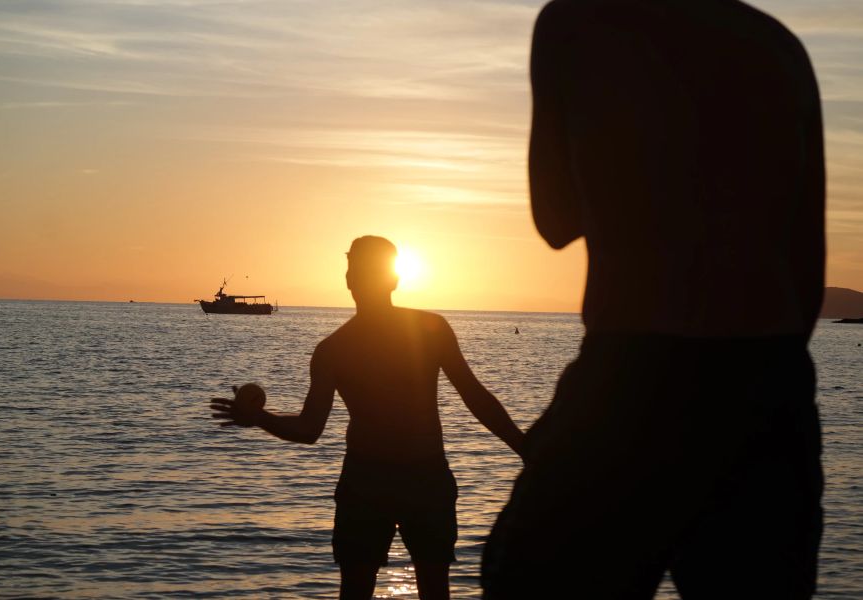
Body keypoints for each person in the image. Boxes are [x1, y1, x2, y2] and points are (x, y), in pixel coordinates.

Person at [482, 1, 825, 598]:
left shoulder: (575, 22)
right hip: (770, 385)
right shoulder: (778, 44)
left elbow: (556, 219)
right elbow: (806, 268)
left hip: (634, 374)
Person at [211, 235, 524, 600]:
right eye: (355, 270)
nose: (358, 278)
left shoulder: (425, 331)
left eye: (365, 271)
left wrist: (524, 447)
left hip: (422, 479)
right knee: (360, 590)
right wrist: (260, 419)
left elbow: (476, 397)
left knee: (431, 589)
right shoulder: (333, 351)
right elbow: (311, 429)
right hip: (367, 481)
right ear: (350, 280)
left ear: (391, 279)